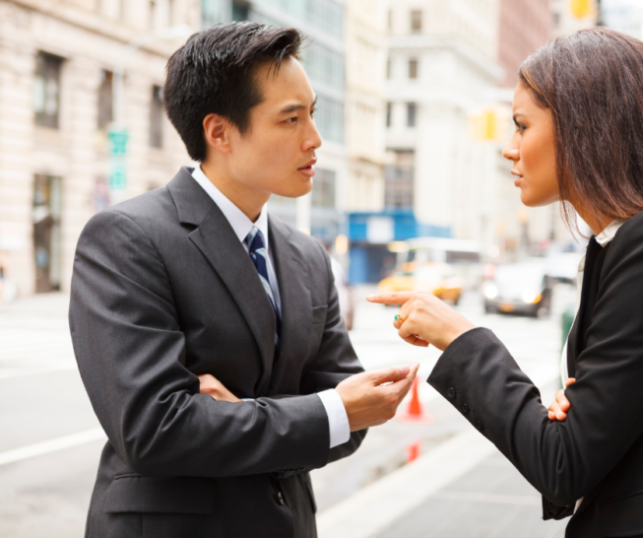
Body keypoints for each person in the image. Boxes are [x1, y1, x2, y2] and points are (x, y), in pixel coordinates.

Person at [369, 28, 643, 537]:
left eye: (521, 126)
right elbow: (584, 444)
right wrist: (571, 414)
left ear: (586, 126)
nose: (509, 149)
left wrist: (461, 339)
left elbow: (564, 462)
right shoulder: (619, 244)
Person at [70, 23, 417, 538]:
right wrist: (321, 413)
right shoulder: (127, 238)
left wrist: (251, 416)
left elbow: (351, 414)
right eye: (290, 119)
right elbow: (154, 430)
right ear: (219, 133)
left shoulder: (306, 256)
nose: (314, 140)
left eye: (312, 114)